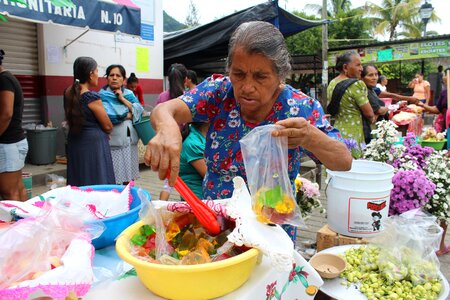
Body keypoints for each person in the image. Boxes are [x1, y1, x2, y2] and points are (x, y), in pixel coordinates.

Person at [144, 21, 352, 241]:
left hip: (271, 227)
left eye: (261, 77)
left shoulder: (299, 107)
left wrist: (310, 136)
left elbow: (343, 161)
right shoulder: (219, 92)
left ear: (281, 75)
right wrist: (168, 128)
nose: (247, 87)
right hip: (217, 224)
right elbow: (165, 109)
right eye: (239, 74)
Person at [64, 57, 115, 186]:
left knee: (79, 177)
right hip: (94, 144)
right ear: (91, 73)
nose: (98, 75)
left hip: (75, 140)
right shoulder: (91, 97)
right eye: (97, 71)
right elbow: (108, 126)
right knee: (97, 178)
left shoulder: (68, 93)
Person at [99, 65, 144, 185]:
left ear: (123, 79)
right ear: (107, 78)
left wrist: (122, 99)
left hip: (130, 140)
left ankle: (129, 198)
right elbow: (106, 116)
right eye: (111, 75)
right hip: (113, 140)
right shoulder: (101, 96)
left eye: (118, 75)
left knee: (129, 177)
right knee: (114, 175)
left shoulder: (128, 93)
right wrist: (127, 115)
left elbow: (139, 110)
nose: (114, 78)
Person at [327, 50, 375, 145]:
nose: (361, 68)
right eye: (358, 65)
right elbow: (369, 114)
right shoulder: (356, 84)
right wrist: (373, 119)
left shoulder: (332, 83)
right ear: (345, 67)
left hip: (338, 133)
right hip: (354, 135)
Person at [0, 49, 29, 200]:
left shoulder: (4, 80)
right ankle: (27, 222)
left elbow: (6, 113)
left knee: (8, 192)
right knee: (17, 187)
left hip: (8, 144)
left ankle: (16, 223)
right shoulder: (7, 78)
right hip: (13, 143)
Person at [361, 65, 389, 144]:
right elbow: (378, 111)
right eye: (370, 75)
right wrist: (387, 108)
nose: (374, 78)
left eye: (376, 75)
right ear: (362, 77)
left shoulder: (372, 89)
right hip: (368, 130)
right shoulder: (364, 91)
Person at [418, 67, 449, 133]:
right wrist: (422, 105)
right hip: (447, 127)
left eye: (445, 75)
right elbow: (437, 109)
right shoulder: (444, 93)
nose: (444, 78)